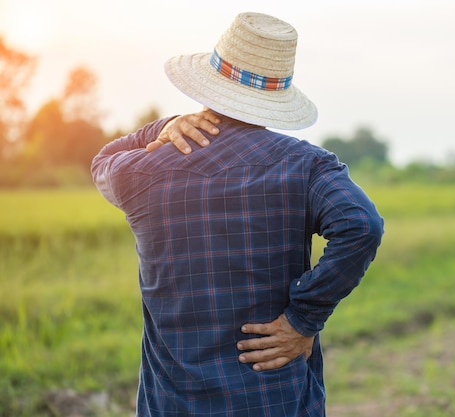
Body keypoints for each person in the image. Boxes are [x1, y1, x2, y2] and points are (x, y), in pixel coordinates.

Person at [92, 12, 383, 417]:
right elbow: (362, 226)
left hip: (171, 403)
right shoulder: (306, 167)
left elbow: (103, 161)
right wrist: (303, 320)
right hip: (273, 398)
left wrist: (161, 128)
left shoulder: (143, 170)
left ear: (209, 84)